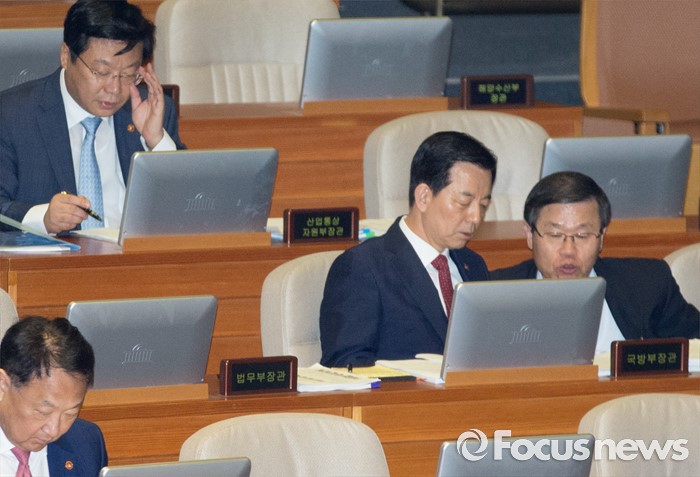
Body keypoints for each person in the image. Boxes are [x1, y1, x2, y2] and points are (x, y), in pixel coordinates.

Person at [0, 0, 185, 234]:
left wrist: (156, 142)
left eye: (128, 74)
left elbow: (187, 207)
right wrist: (42, 218)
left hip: (134, 254)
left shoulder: (152, 110)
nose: (114, 89)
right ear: (66, 56)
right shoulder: (11, 116)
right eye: (101, 72)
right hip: (54, 256)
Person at [320, 131, 497, 367]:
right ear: (423, 197)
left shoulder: (473, 265)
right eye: (464, 203)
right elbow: (346, 364)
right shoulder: (364, 267)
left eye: (483, 205)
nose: (475, 217)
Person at [490, 171, 699, 353]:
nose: (569, 250)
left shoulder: (647, 283)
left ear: (602, 237)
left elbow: (694, 345)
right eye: (555, 235)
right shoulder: (495, 293)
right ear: (529, 235)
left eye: (583, 235)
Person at [0, 316, 107, 476]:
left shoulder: (86, 443)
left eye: (70, 414)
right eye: (43, 412)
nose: (54, 430)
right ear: (2, 385)